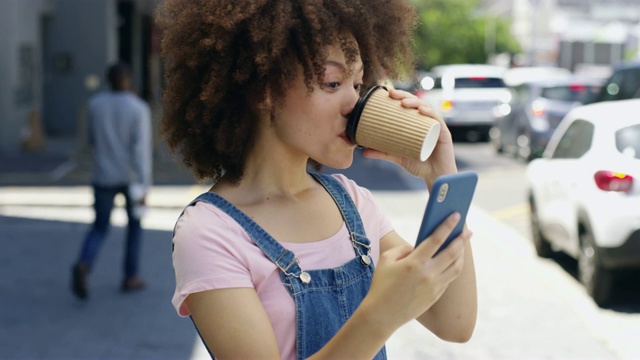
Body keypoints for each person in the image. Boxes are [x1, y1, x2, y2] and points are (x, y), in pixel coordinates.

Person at [156, 1, 477, 359]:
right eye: (333, 82)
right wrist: (379, 316)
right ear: (263, 89)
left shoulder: (352, 202)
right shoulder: (210, 232)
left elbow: (455, 323)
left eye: (357, 84)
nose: (354, 103)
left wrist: (441, 176)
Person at [71, 62, 153, 300]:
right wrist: (145, 184)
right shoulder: (138, 108)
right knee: (135, 227)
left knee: (99, 226)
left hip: (103, 174)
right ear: (129, 80)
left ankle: (84, 263)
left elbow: (90, 141)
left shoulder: (95, 105)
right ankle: (130, 276)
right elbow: (141, 150)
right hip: (131, 179)